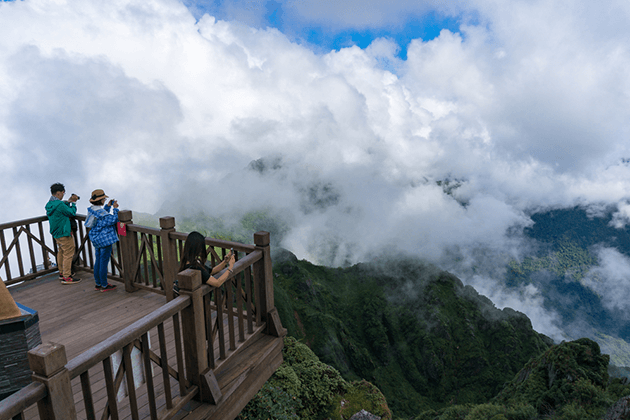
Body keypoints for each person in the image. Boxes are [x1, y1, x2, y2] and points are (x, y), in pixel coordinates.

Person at [175, 231, 236, 295]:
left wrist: (225, 262)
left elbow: (211, 271)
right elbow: (217, 283)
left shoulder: (189, 261)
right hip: (200, 301)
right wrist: (230, 267)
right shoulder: (195, 267)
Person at [45, 183, 81, 284]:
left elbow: (60, 208)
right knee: (69, 253)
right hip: (64, 232)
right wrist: (73, 203)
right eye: (62, 193)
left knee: (61, 251)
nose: (63, 195)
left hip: (56, 232)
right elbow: (71, 212)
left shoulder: (49, 204)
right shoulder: (60, 204)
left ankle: (62, 273)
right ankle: (67, 277)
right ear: (58, 193)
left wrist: (68, 201)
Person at [85, 189, 119, 292]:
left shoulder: (92, 210)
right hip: (104, 240)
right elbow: (113, 219)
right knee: (103, 262)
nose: (105, 200)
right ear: (101, 200)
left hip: (96, 239)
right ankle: (104, 285)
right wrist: (115, 209)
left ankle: (98, 283)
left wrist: (108, 207)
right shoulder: (102, 212)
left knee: (98, 261)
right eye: (104, 199)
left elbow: (102, 217)